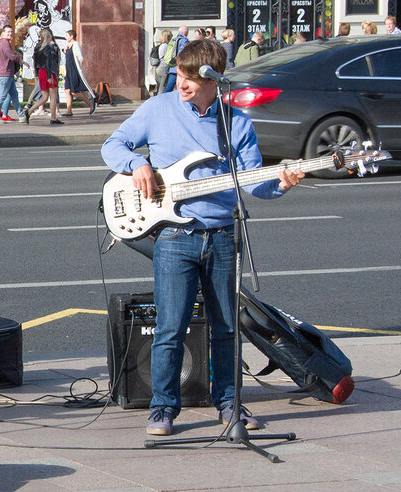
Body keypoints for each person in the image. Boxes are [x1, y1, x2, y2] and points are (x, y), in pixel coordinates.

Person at [101, 38, 305, 437]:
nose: (183, 83)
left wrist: (282, 183)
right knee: (170, 327)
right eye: (179, 75)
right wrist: (136, 164)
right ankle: (163, 408)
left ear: (214, 80)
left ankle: (229, 403)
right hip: (176, 237)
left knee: (227, 327)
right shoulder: (158, 110)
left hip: (222, 236)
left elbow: (255, 186)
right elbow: (113, 144)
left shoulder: (235, 123)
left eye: (192, 78)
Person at [23, 27, 62, 124]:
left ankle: (30, 111)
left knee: (44, 97)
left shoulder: (37, 47)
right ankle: (53, 118)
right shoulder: (48, 48)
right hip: (49, 73)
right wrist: (50, 76)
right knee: (53, 96)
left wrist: (36, 72)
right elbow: (48, 62)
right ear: (49, 37)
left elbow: (35, 61)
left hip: (41, 72)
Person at [0, 24, 23, 123]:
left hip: (7, 73)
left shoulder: (2, 43)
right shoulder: (5, 43)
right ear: (3, 33)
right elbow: (12, 56)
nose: (10, 34)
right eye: (8, 32)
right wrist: (19, 57)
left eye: (11, 32)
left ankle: (21, 115)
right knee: (2, 96)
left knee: (14, 95)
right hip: (5, 74)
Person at [61, 28, 96, 116]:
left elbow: (80, 57)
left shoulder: (76, 45)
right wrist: (65, 51)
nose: (65, 37)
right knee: (67, 90)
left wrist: (78, 64)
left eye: (67, 35)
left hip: (74, 71)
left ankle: (91, 104)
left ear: (72, 36)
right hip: (68, 71)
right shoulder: (68, 46)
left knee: (75, 92)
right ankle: (69, 111)